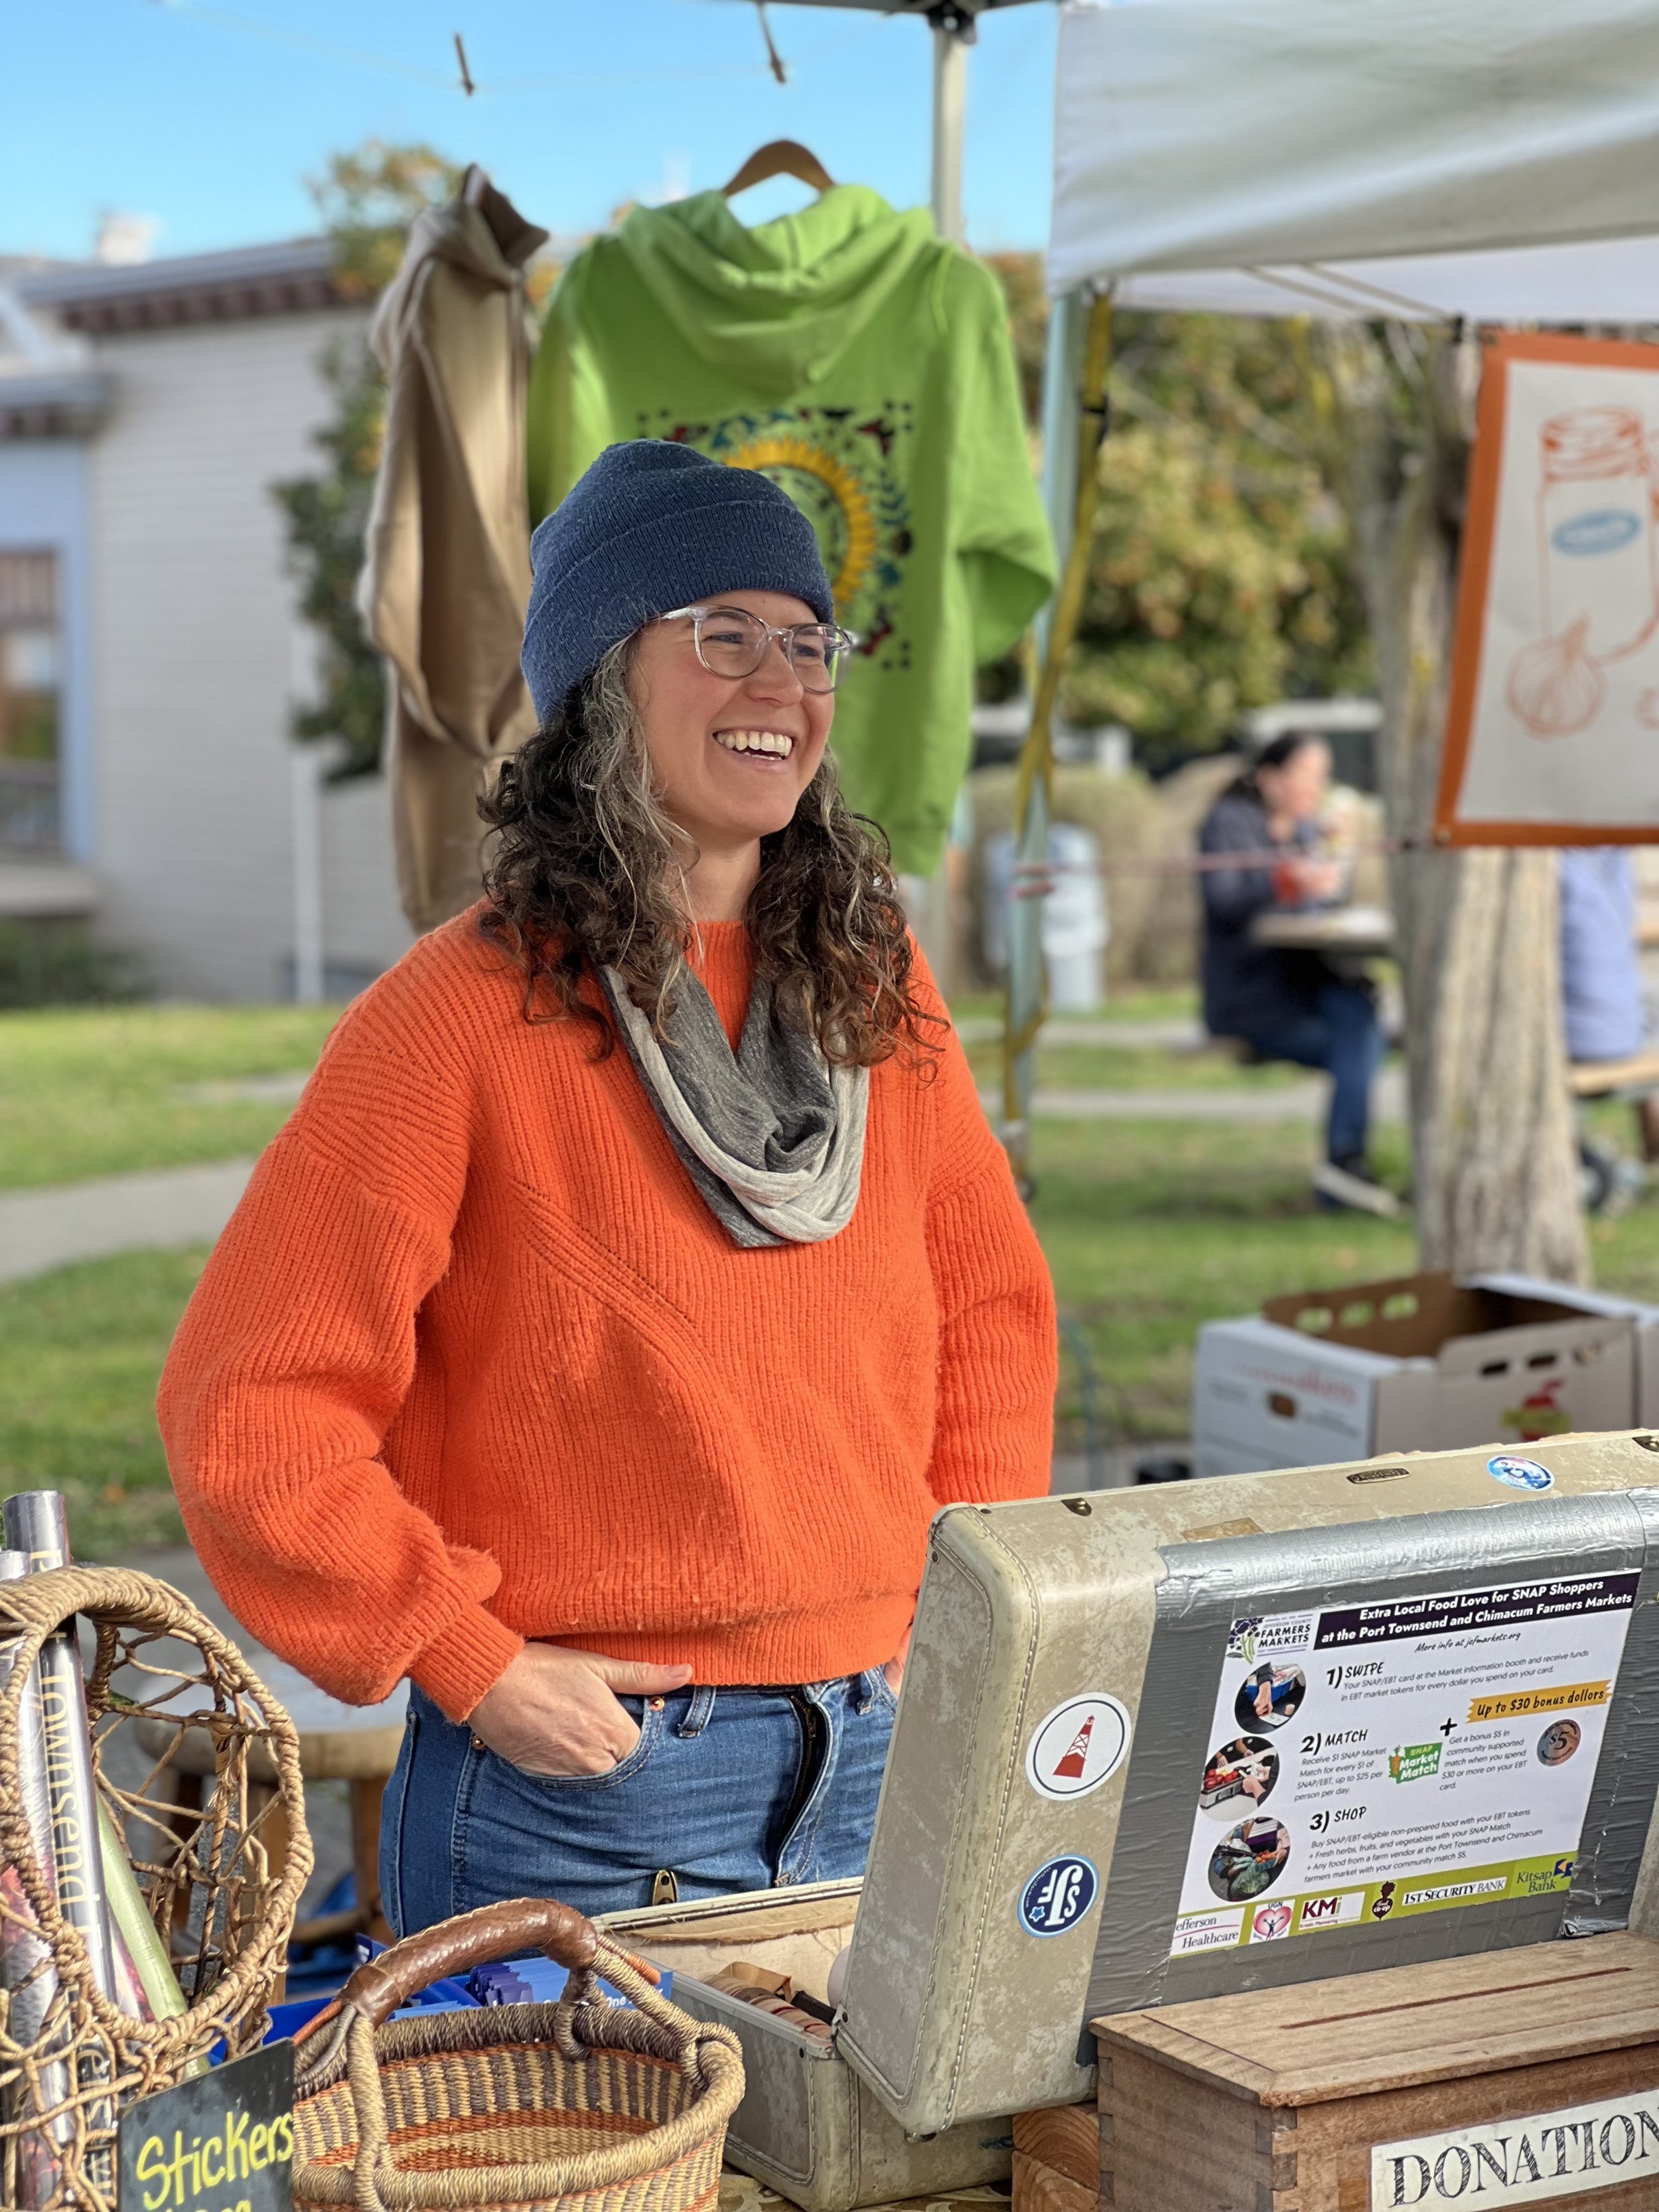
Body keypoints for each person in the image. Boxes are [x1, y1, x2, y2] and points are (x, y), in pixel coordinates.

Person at [158, 441, 1056, 1931]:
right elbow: (249, 1405)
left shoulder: (875, 989)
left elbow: (990, 1317)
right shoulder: (458, 1013)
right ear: (600, 684)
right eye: (723, 634)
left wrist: (955, 1608)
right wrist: (468, 1657)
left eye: (808, 643)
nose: (781, 682)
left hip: (878, 1750)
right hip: (587, 1789)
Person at [1197, 733, 1391, 1215]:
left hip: (1308, 983)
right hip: (1252, 996)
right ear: (1270, 778)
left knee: (1360, 1009)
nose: (1316, 786)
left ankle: (1344, 1166)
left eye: (1322, 776)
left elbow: (1321, 905)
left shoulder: (1306, 831)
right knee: (1362, 1039)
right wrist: (1284, 880)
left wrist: (1334, 860)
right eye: (1306, 773)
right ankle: (1345, 1165)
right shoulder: (1230, 823)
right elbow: (1224, 900)